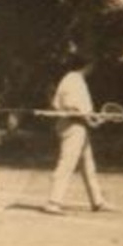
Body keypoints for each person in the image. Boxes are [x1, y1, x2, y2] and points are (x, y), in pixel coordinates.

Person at [43, 53, 113, 216]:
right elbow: (72, 108)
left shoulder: (75, 79)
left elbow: (80, 110)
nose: (93, 68)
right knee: (67, 163)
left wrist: (91, 120)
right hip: (72, 127)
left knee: (88, 166)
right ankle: (53, 202)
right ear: (87, 65)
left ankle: (98, 201)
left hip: (78, 126)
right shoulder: (73, 80)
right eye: (92, 65)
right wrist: (90, 120)